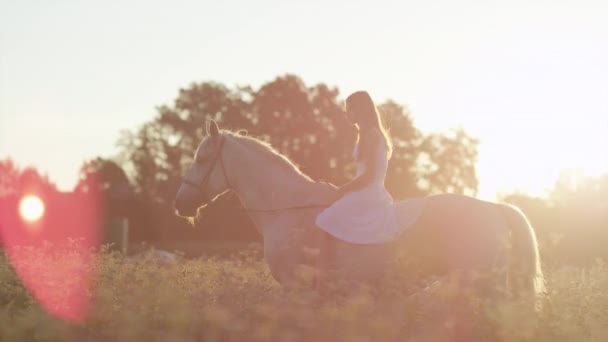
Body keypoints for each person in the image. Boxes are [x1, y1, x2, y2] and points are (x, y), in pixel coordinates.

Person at [316, 91, 401, 244]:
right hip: (369, 191)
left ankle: (328, 265)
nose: (346, 112)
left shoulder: (371, 135)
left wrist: (341, 190)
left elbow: (369, 176)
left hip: (368, 192)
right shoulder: (368, 134)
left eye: (350, 108)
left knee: (326, 218)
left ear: (360, 110)